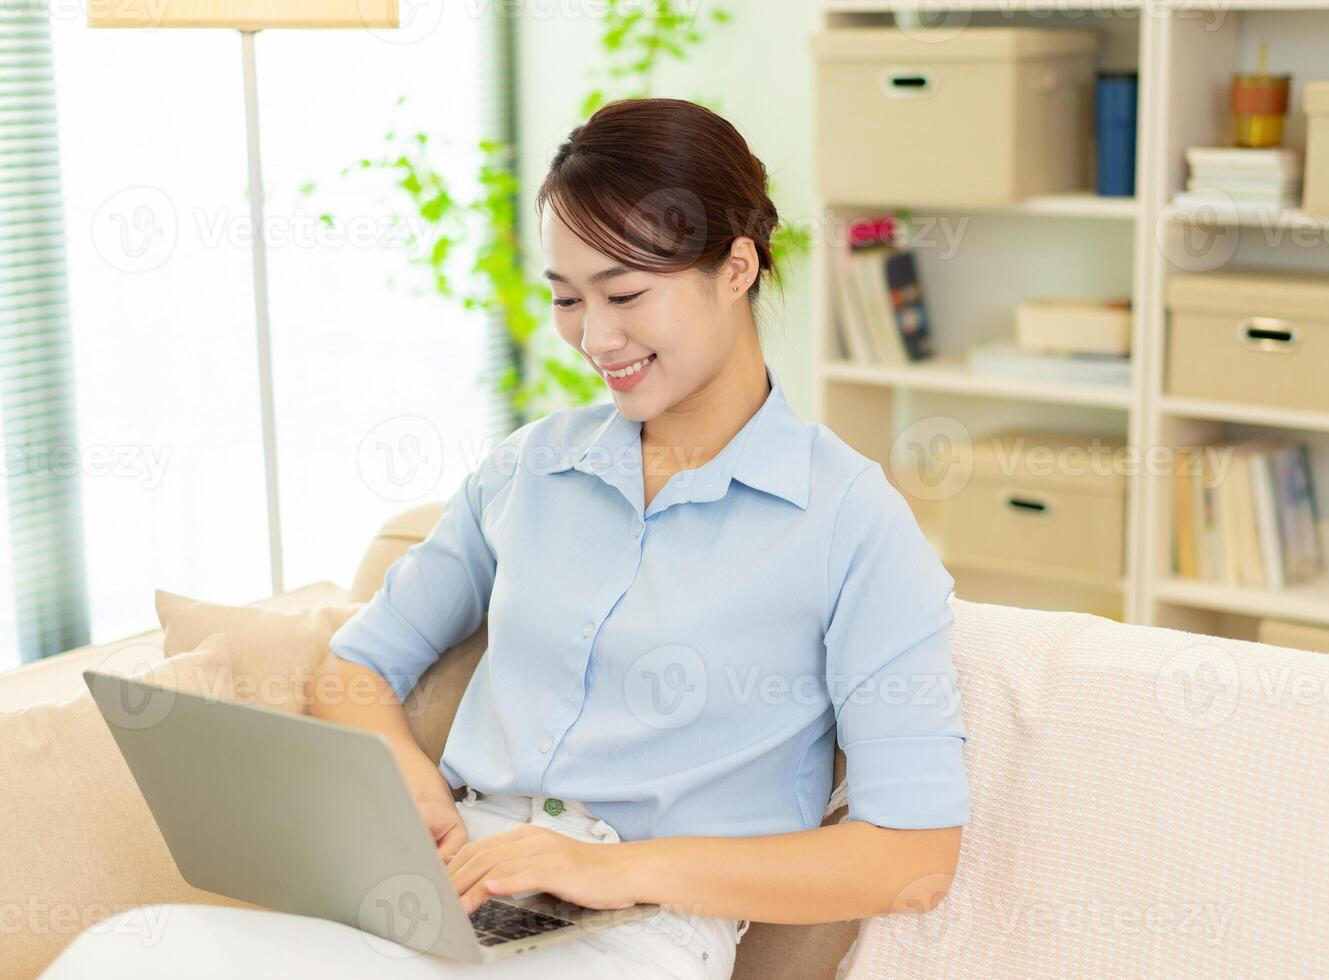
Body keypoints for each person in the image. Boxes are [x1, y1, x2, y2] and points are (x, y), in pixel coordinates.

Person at [45, 97, 970, 979]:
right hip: (448, 888)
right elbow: (356, 668)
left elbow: (912, 858)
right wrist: (404, 776)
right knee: (131, 948)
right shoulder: (530, 471)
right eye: (567, 298)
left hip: (635, 928)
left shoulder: (851, 521)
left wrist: (612, 870)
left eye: (626, 293)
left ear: (736, 267)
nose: (594, 336)